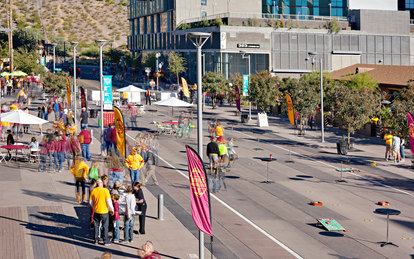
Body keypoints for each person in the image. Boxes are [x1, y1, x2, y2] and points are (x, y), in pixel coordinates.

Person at [89, 178, 114, 246]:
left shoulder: (93, 191)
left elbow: (90, 202)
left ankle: (96, 240)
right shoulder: (105, 191)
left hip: (96, 211)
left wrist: (94, 207)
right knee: (105, 226)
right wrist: (111, 210)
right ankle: (105, 241)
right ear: (101, 184)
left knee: (96, 226)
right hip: (104, 211)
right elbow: (109, 201)